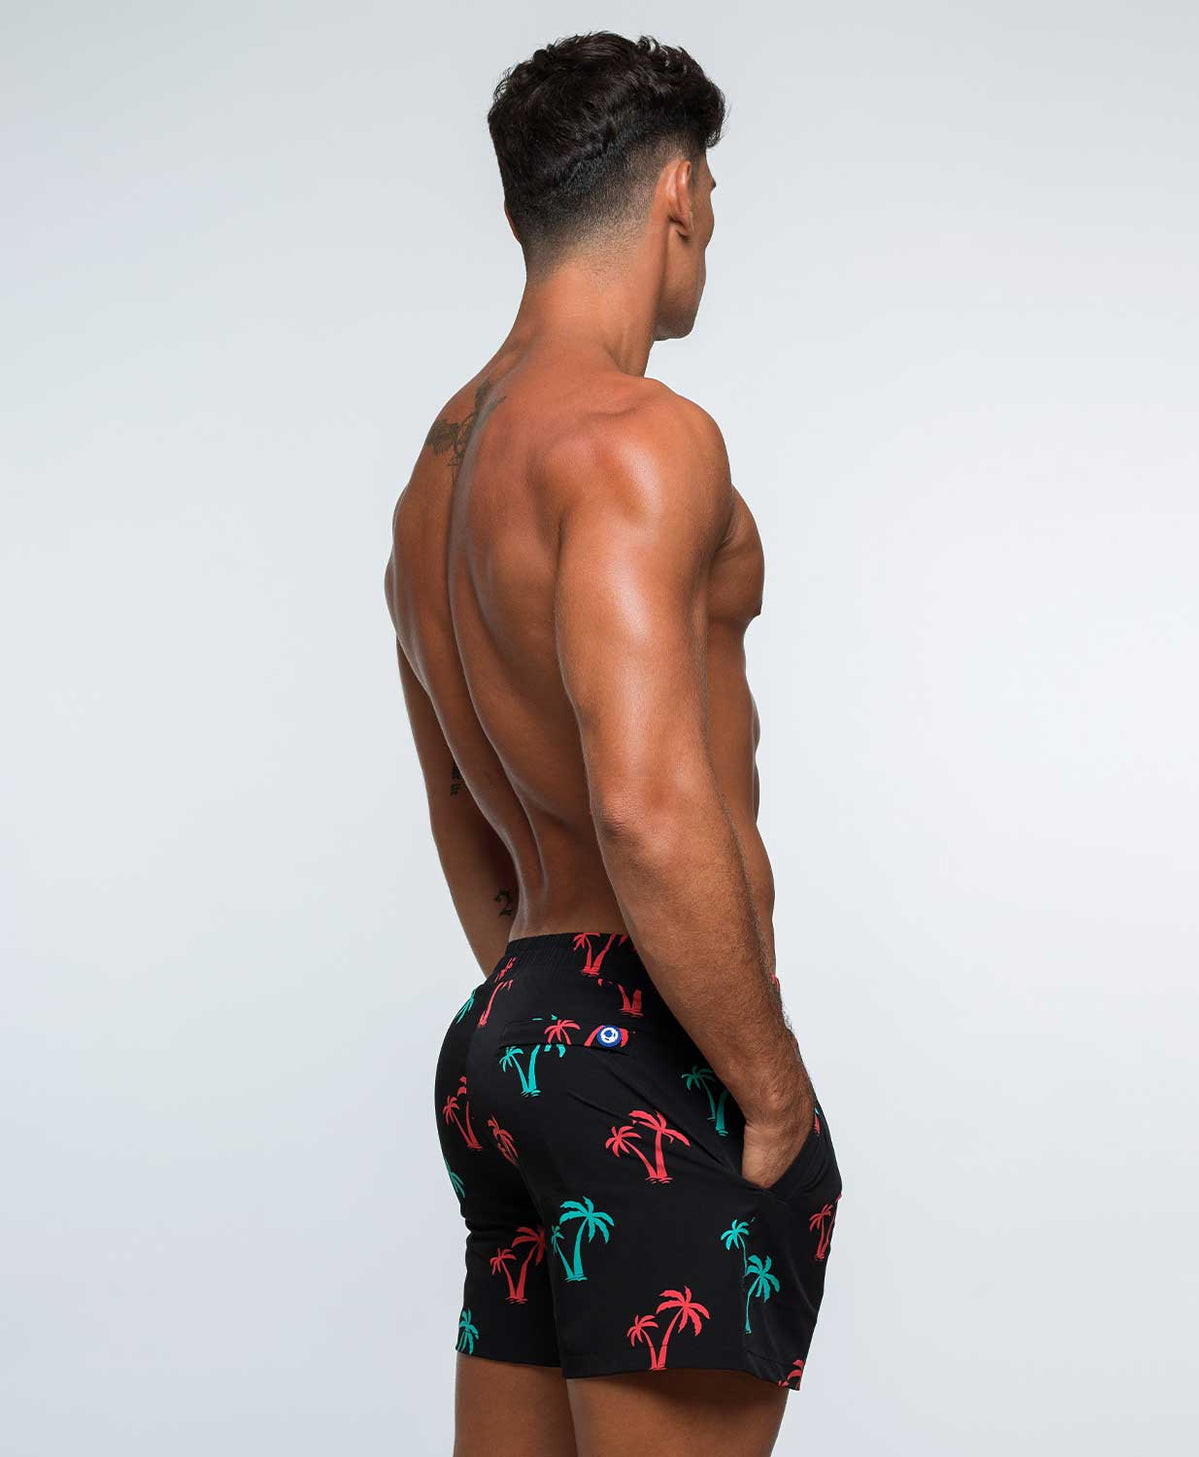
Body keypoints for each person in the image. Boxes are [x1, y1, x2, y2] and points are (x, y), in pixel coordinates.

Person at [384, 32, 842, 1457]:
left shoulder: (434, 485)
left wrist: (546, 1032)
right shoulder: (640, 438)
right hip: (649, 1035)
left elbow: (459, 812)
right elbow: (646, 807)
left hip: (512, 1035)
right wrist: (765, 1083)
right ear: (678, 193)